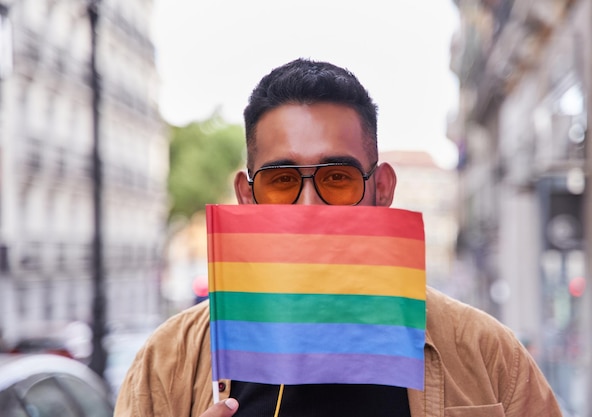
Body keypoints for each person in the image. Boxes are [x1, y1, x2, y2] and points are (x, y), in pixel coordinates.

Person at [114, 58, 562, 417]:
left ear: (381, 188)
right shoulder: (168, 361)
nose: (310, 206)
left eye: (337, 178)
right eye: (282, 180)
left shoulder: (484, 352)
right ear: (246, 197)